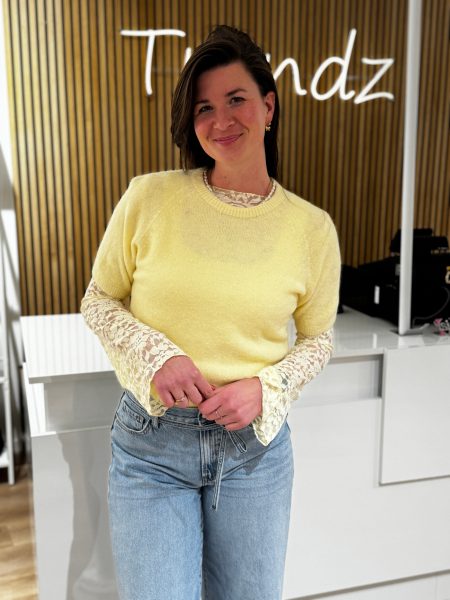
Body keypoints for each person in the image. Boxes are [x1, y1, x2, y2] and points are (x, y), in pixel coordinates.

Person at [81, 24, 340, 600]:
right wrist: (156, 355)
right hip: (152, 447)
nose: (221, 120)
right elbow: (99, 298)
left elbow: (318, 339)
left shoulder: (311, 229)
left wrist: (266, 389)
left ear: (268, 107)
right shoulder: (149, 198)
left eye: (235, 100)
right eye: (204, 107)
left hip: (254, 454)